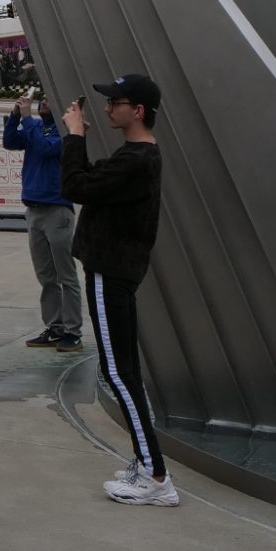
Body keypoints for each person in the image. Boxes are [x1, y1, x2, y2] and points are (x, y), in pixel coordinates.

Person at [62, 74, 174, 506]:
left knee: (117, 372)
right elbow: (90, 181)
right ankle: (149, 465)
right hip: (114, 270)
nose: (107, 109)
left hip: (112, 272)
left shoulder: (137, 159)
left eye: (115, 103)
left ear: (138, 111)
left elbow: (75, 185)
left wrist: (74, 135)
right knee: (123, 371)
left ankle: (155, 476)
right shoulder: (136, 155)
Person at [3, 91, 83, 350]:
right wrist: (15, 117)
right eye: (42, 98)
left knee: (66, 274)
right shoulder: (35, 126)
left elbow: (45, 149)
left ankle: (73, 331)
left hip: (57, 210)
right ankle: (54, 326)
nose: (44, 102)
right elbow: (10, 141)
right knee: (46, 276)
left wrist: (26, 119)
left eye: (50, 98)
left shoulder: (66, 133)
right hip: (34, 210)